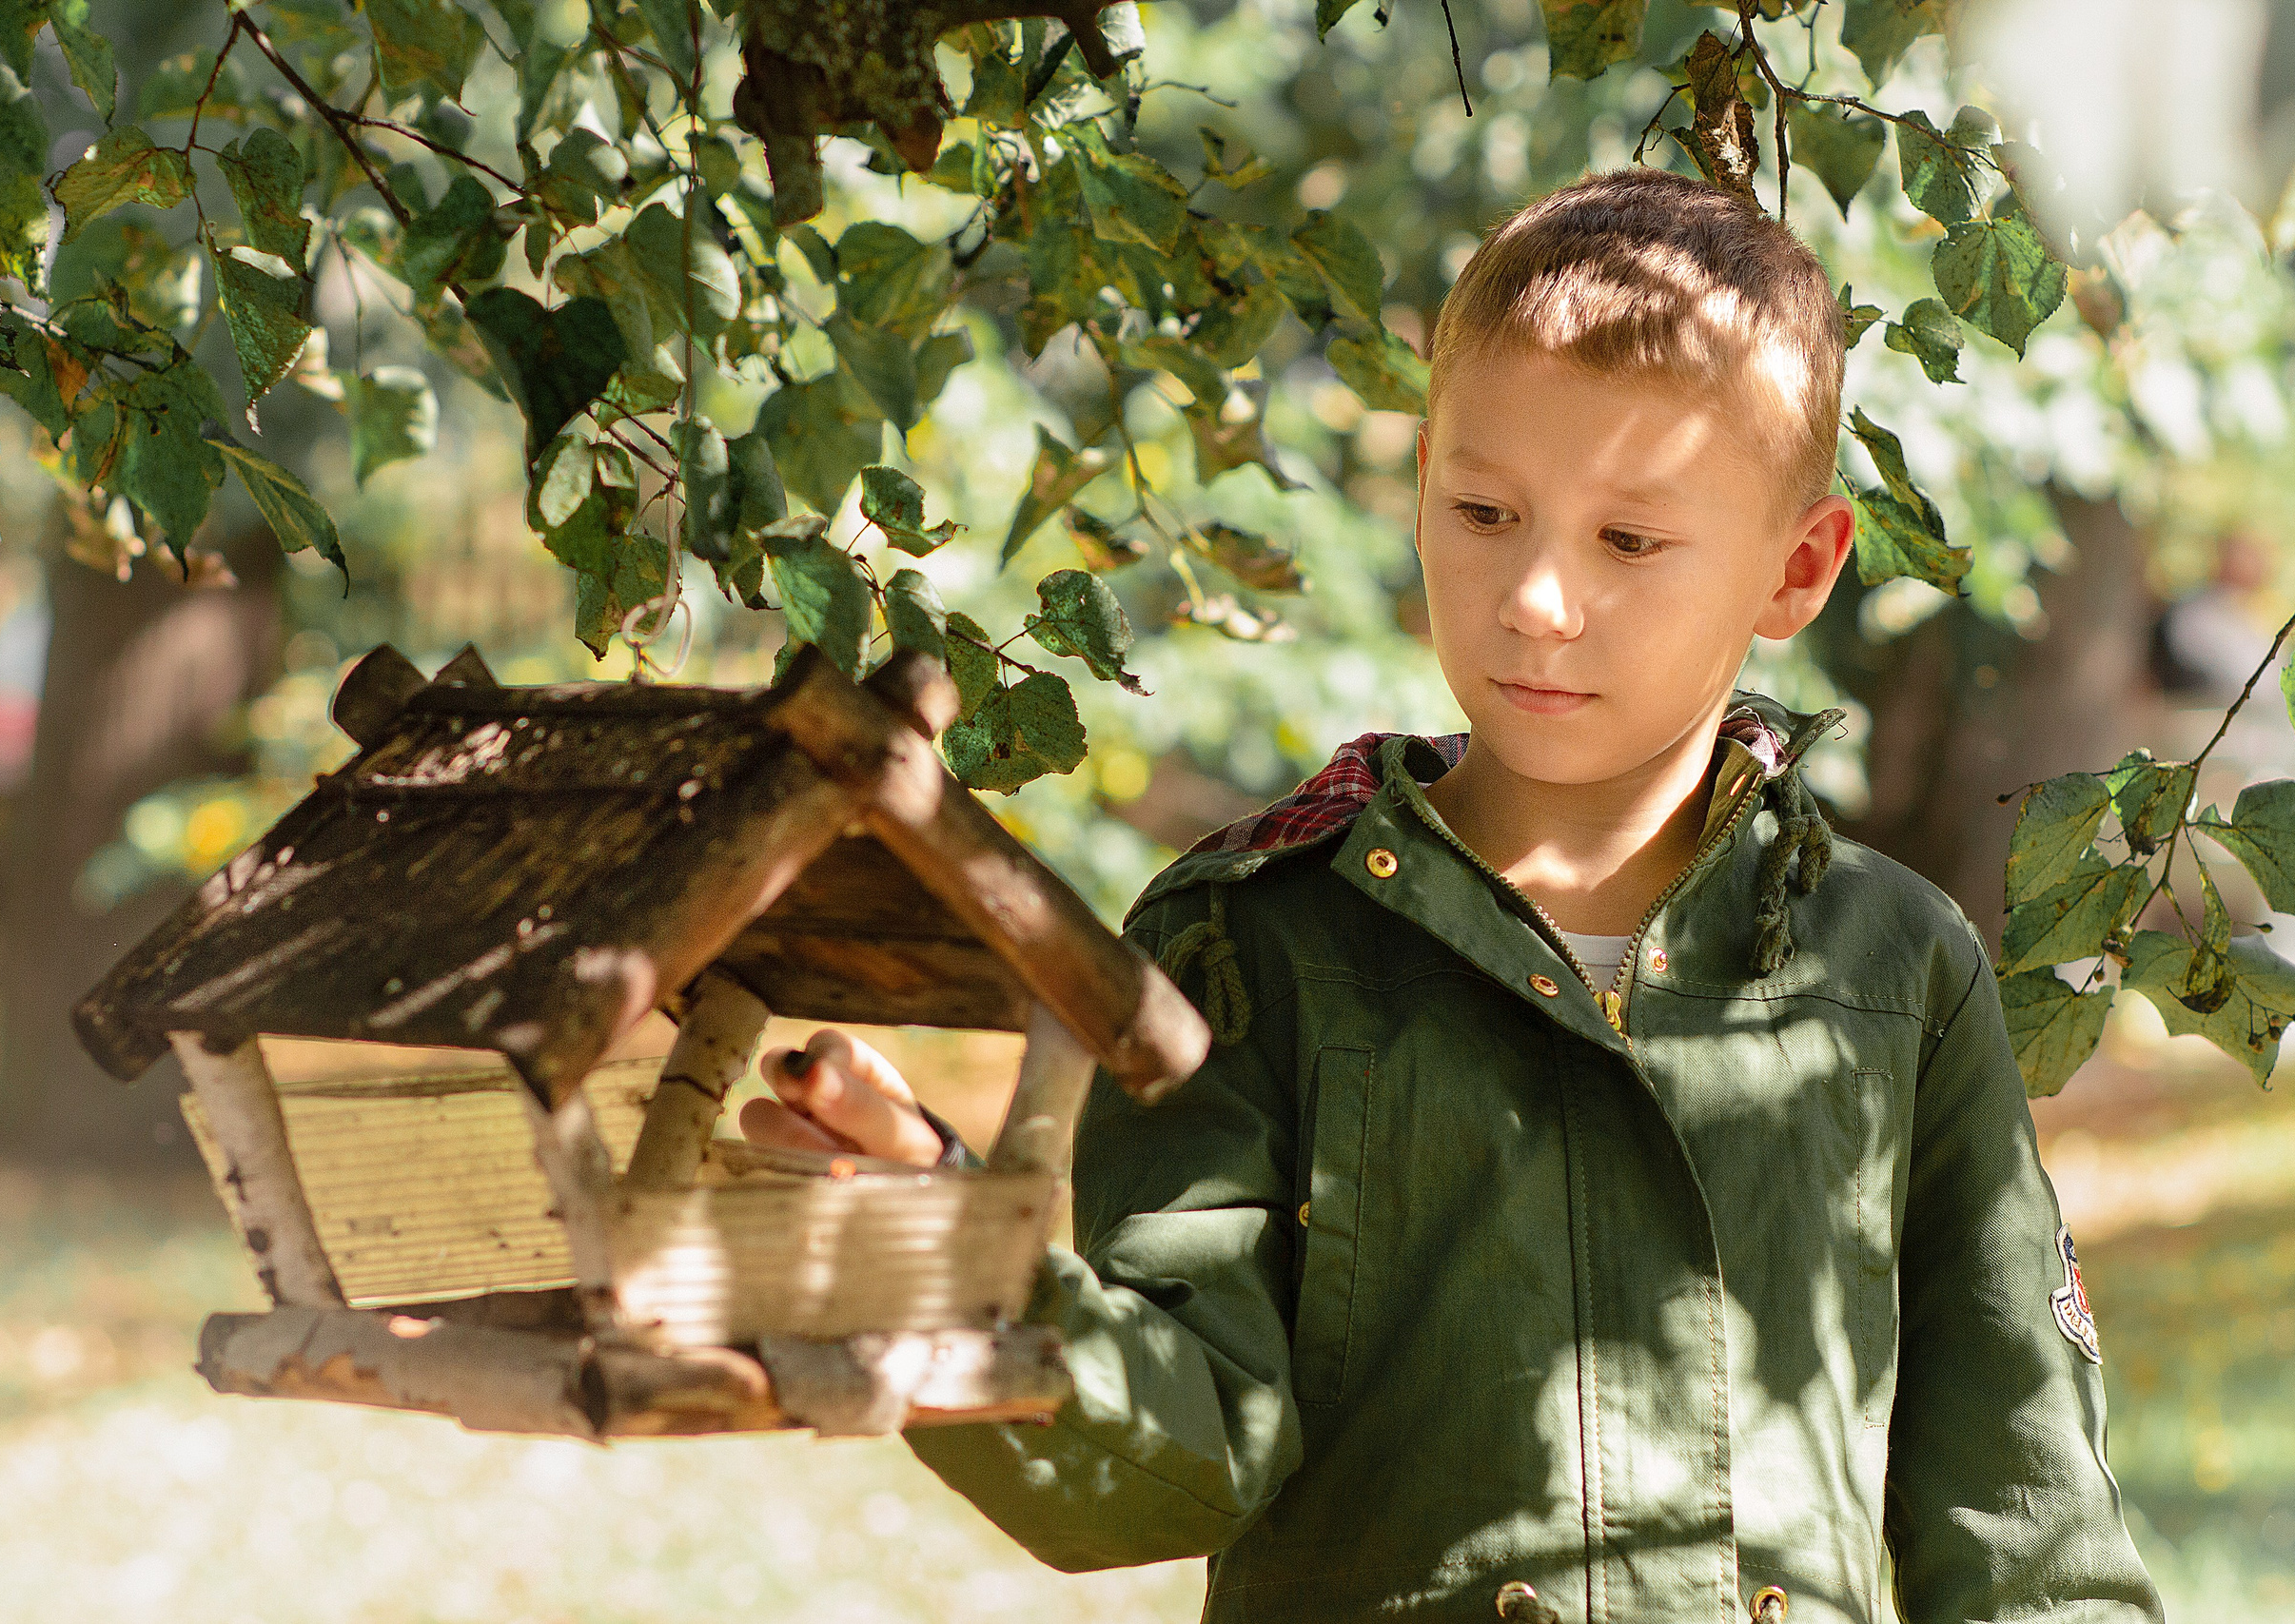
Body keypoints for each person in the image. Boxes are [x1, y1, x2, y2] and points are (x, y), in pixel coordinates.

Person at [740, 167, 2163, 1624]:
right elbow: (1172, 1460)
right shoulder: (1247, 943)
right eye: (1484, 510)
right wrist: (933, 1251)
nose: (1535, 597)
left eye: (1627, 539)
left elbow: (2025, 1522)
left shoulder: (1895, 970)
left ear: (1796, 569)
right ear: (1421, 481)